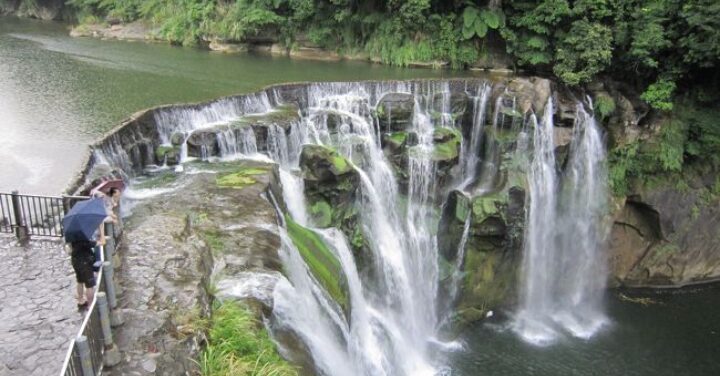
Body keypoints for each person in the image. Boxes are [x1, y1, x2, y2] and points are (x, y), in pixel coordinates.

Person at [71, 236, 105, 309]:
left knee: (80, 281)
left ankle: (81, 300)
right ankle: (90, 305)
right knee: (89, 285)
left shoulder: (72, 233)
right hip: (84, 262)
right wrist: (99, 242)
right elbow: (87, 244)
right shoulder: (81, 233)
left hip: (75, 259)